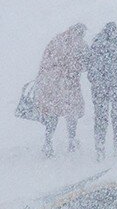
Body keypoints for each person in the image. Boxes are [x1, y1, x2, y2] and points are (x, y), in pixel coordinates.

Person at [35, 24, 90, 158]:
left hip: (51, 84)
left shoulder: (56, 40)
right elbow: (81, 65)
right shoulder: (80, 44)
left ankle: (48, 143)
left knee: (52, 114)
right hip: (68, 84)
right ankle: (71, 142)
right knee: (71, 113)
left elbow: (45, 61)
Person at [86, 22, 117, 161]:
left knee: (100, 118)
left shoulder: (96, 44)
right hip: (116, 88)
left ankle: (100, 148)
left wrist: (97, 82)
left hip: (100, 90)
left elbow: (90, 67)